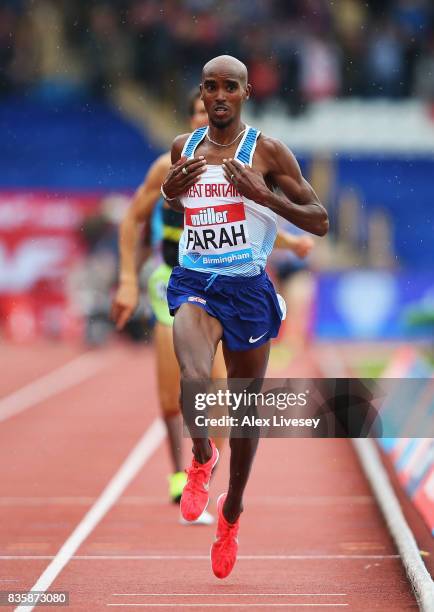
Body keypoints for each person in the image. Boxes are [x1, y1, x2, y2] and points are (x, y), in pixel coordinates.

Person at [160, 55, 328, 578]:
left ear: (245, 92)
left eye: (229, 87)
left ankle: (231, 511)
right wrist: (170, 191)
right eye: (210, 87)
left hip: (247, 290)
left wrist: (262, 194)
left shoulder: (268, 151)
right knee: (193, 379)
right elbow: (173, 205)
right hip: (195, 281)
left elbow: (319, 220)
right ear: (202, 94)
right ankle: (202, 456)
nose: (218, 97)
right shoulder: (181, 149)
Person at [111, 91, 314, 521]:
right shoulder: (171, 162)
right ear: (191, 117)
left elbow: (238, 219)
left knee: (226, 397)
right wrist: (128, 279)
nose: (211, 119)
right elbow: (133, 218)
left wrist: (290, 238)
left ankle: (217, 483)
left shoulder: (252, 157)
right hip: (177, 278)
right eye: (201, 112)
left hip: (234, 285)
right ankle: (182, 470)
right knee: (182, 387)